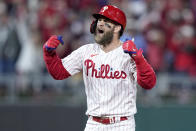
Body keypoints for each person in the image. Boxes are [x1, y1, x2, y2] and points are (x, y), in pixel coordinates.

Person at [43, 5, 156, 131]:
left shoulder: (128, 53)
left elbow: (149, 83)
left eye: (106, 21)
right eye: (99, 20)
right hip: (93, 123)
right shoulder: (86, 51)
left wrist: (138, 59)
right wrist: (50, 55)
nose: (100, 24)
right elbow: (58, 72)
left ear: (117, 28)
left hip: (121, 124)